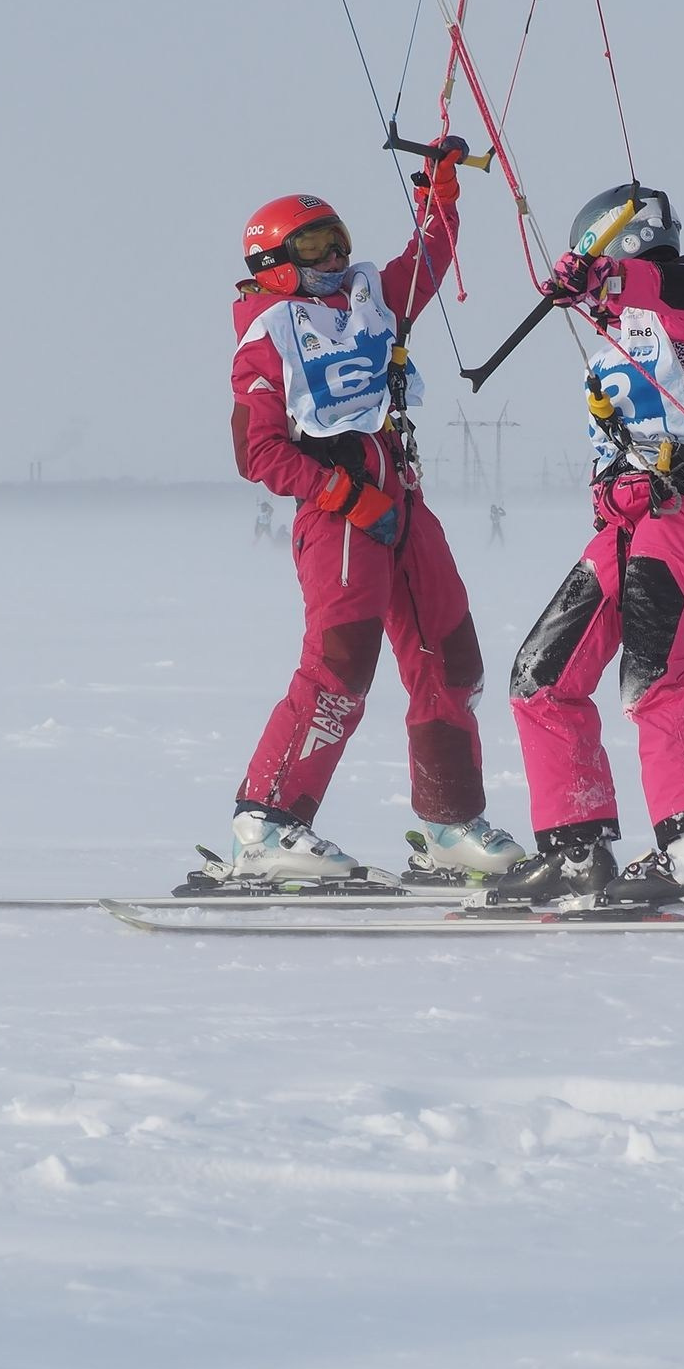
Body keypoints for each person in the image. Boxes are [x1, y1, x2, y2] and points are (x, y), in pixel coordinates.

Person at [490, 183, 684, 911]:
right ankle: (575, 851)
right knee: (540, 675)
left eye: (600, 268)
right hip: (630, 524)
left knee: (655, 672)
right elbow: (612, 448)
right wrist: (611, 490)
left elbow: (677, 289)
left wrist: (606, 276)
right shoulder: (611, 345)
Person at [224, 140, 525, 883]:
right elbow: (259, 454)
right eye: (315, 246)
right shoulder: (266, 339)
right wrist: (344, 494)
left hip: (404, 501)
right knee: (340, 667)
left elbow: (425, 264)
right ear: (275, 263)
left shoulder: (367, 301)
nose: (333, 257)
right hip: (341, 513)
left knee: (451, 660)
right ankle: (268, 825)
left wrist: (442, 197)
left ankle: (451, 822)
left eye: (339, 241)